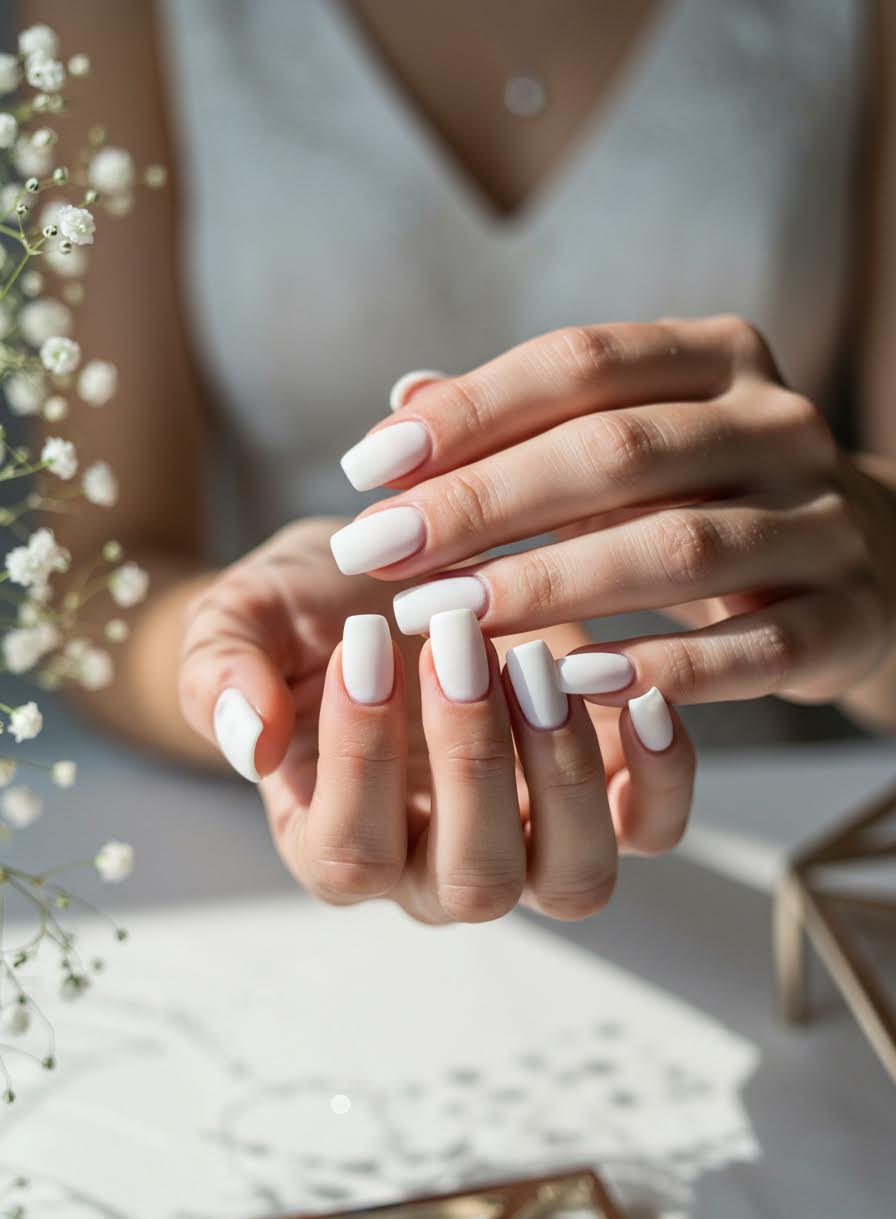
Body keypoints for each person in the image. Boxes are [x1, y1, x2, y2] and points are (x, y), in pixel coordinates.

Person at [26, 0, 896, 924]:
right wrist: (249, 678)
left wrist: (876, 576)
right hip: (256, 874)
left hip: (783, 838)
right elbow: (92, 578)